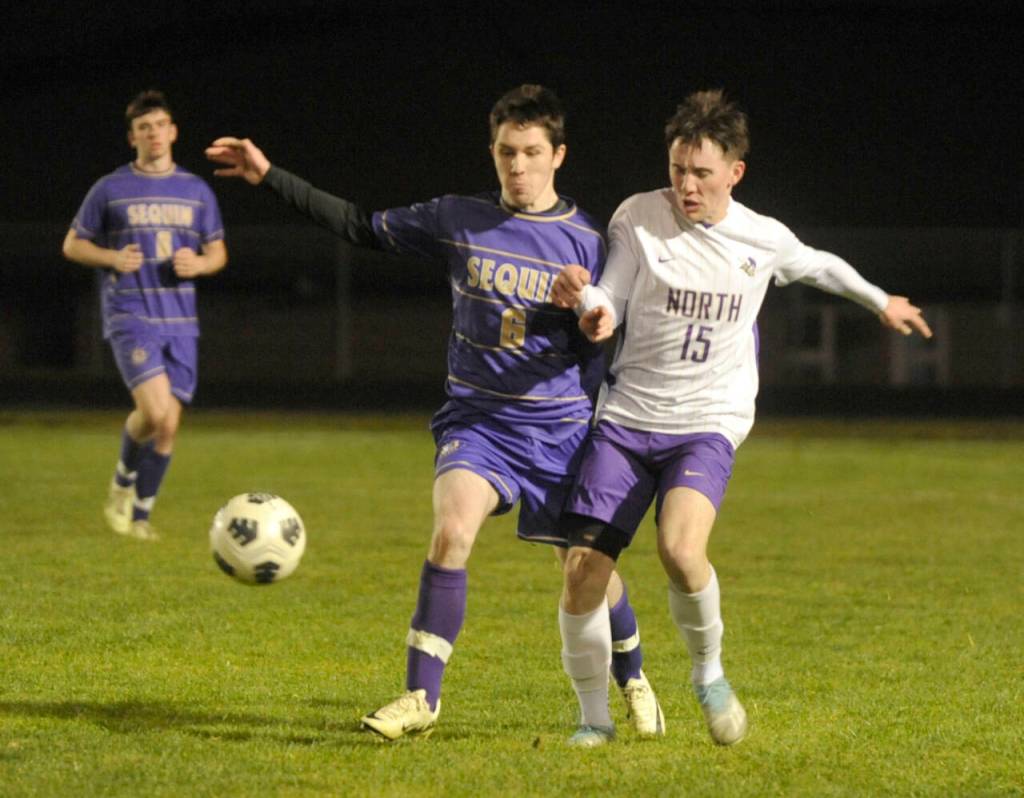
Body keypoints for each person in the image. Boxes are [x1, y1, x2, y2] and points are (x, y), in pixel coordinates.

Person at [205, 84, 665, 741]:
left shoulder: (588, 240)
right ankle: (422, 696)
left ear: (557, 155)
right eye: (507, 152)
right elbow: (362, 227)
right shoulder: (458, 218)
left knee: (586, 572)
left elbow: (609, 334)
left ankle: (636, 680)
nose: (518, 166)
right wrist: (269, 175)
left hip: (560, 433)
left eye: (532, 152)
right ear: (493, 151)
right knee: (451, 533)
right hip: (476, 424)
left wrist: (589, 319)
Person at [550, 89, 933, 747]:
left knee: (680, 548)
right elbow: (609, 295)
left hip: (708, 418)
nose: (687, 185)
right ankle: (594, 719)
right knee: (583, 568)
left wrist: (879, 301)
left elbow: (818, 266)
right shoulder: (639, 217)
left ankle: (708, 672)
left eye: (701, 172)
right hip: (629, 415)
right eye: (677, 169)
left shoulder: (761, 237)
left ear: (735, 172)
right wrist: (591, 307)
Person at [63, 90, 228, 541]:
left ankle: (139, 517)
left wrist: (200, 264)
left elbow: (217, 252)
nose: (153, 134)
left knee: (169, 425)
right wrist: (112, 258)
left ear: (173, 131)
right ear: (132, 137)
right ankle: (120, 483)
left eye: (160, 125)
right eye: (143, 128)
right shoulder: (110, 188)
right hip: (130, 313)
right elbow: (73, 244)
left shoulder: (196, 190)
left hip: (180, 321)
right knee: (154, 414)